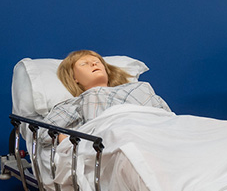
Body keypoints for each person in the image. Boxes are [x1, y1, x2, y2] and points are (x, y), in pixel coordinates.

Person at [40, 50, 171, 146]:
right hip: (119, 141)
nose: (93, 64)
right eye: (84, 64)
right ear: (74, 78)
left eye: (97, 62)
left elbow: (170, 118)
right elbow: (43, 132)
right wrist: (65, 139)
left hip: (159, 134)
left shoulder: (140, 88)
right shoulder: (78, 102)